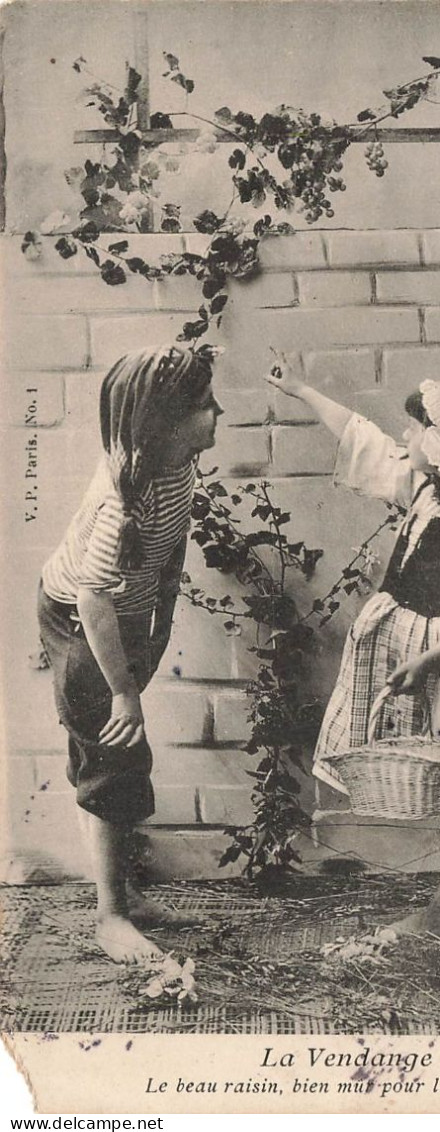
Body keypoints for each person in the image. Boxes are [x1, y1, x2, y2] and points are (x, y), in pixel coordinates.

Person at [266, 354, 440, 938]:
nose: (406, 439)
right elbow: (364, 438)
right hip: (408, 655)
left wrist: (423, 663)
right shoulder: (428, 485)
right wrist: (302, 389)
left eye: (417, 429)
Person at [38, 344, 224, 964]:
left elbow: (170, 555)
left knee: (113, 756)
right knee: (115, 758)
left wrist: (160, 623)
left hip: (124, 618)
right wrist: (122, 688)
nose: (218, 411)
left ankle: (122, 896)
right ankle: (110, 916)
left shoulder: (178, 465)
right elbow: (92, 599)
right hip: (81, 622)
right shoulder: (123, 499)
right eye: (204, 405)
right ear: (163, 422)